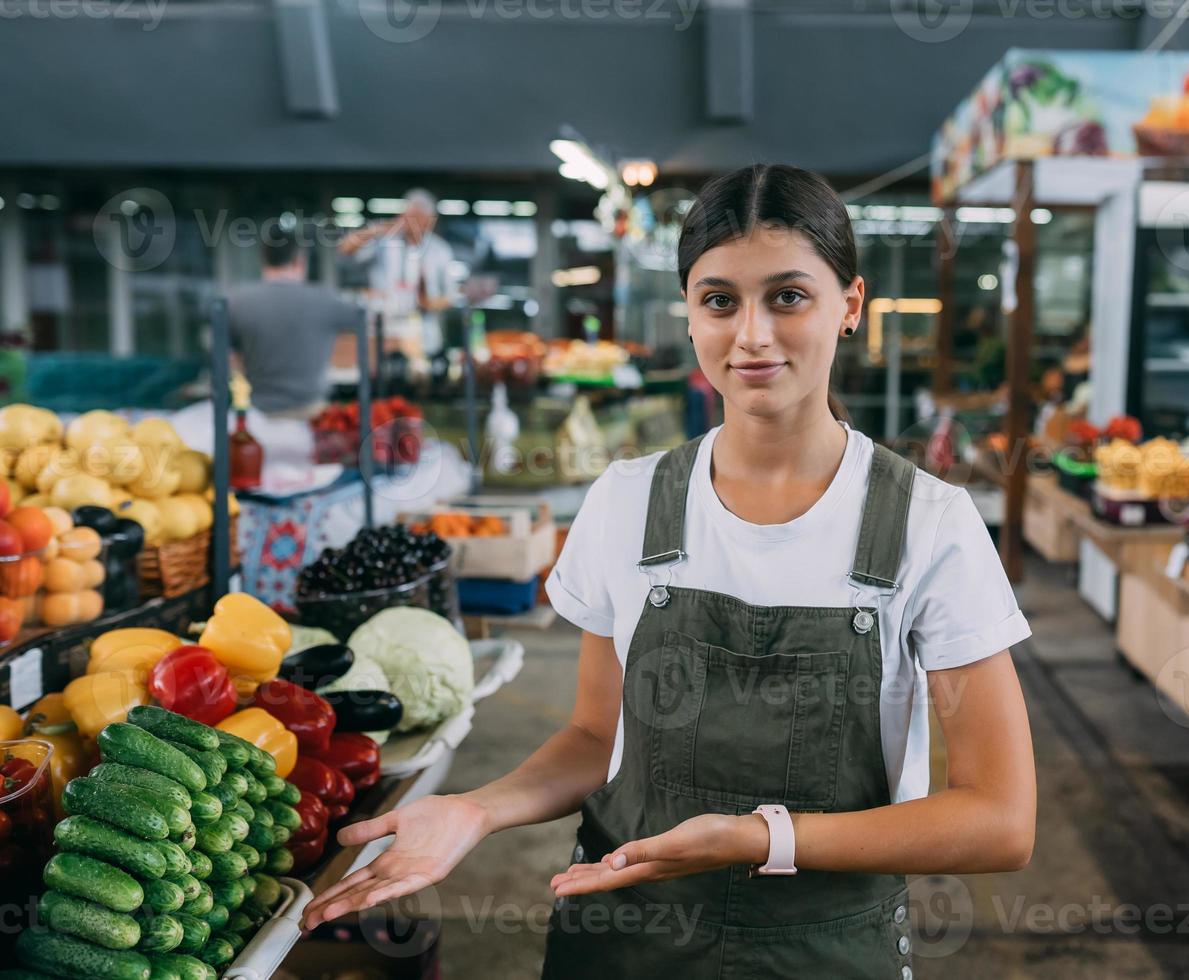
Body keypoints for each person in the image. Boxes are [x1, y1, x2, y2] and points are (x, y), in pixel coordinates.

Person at [301, 165, 1037, 978]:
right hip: (624, 940)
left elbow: (999, 819)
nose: (750, 334)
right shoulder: (626, 502)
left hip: (825, 952)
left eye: (787, 296)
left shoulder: (927, 524)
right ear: (688, 312)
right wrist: (476, 810)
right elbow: (594, 735)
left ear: (850, 305)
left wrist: (763, 837)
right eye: (719, 300)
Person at [226, 231, 359, 421]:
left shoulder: (237, 302)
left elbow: (228, 358)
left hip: (257, 417)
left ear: (264, 259)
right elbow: (369, 323)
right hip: (313, 417)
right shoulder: (325, 300)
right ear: (299, 260)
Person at [337, 187, 455, 358]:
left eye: (419, 219)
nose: (413, 224)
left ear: (430, 221)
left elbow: (450, 296)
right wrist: (378, 228)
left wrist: (428, 302)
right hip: (383, 332)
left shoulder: (440, 250)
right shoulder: (385, 241)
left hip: (422, 334)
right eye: (410, 217)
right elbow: (345, 249)